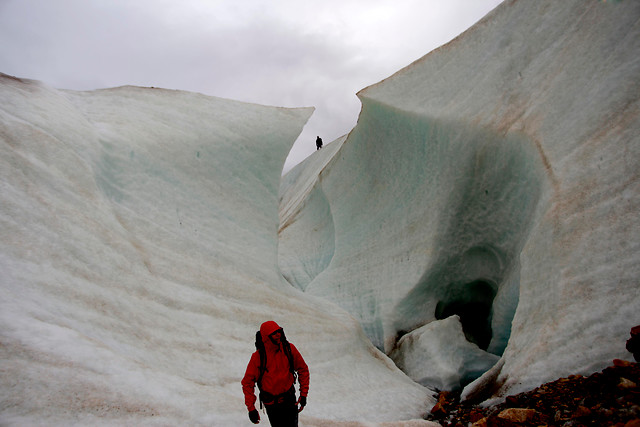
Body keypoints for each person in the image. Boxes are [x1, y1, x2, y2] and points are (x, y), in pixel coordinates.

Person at [242, 321, 310, 426]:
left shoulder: (289, 349)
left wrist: (303, 394)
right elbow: (247, 383)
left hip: (289, 400)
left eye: (279, 331)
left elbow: (303, 369)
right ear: (266, 337)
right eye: (274, 333)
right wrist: (251, 409)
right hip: (272, 406)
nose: (278, 335)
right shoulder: (258, 357)